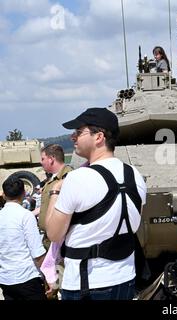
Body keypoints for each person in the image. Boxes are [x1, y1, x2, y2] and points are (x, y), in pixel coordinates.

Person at [45, 107, 147, 300]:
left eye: (78, 132)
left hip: (87, 285)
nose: (72, 137)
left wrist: (56, 191)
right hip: (125, 279)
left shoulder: (77, 179)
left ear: (99, 137)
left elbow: (53, 233)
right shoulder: (135, 175)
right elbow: (133, 223)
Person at [0, 177, 46, 300]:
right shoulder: (26, 216)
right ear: (24, 194)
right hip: (27, 278)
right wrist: (49, 277)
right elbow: (37, 252)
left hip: (6, 280)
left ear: (4, 195)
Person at [37, 144, 72, 235]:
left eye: (43, 159)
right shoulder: (53, 178)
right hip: (49, 237)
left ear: (51, 159)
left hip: (59, 237)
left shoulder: (68, 177)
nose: (41, 162)